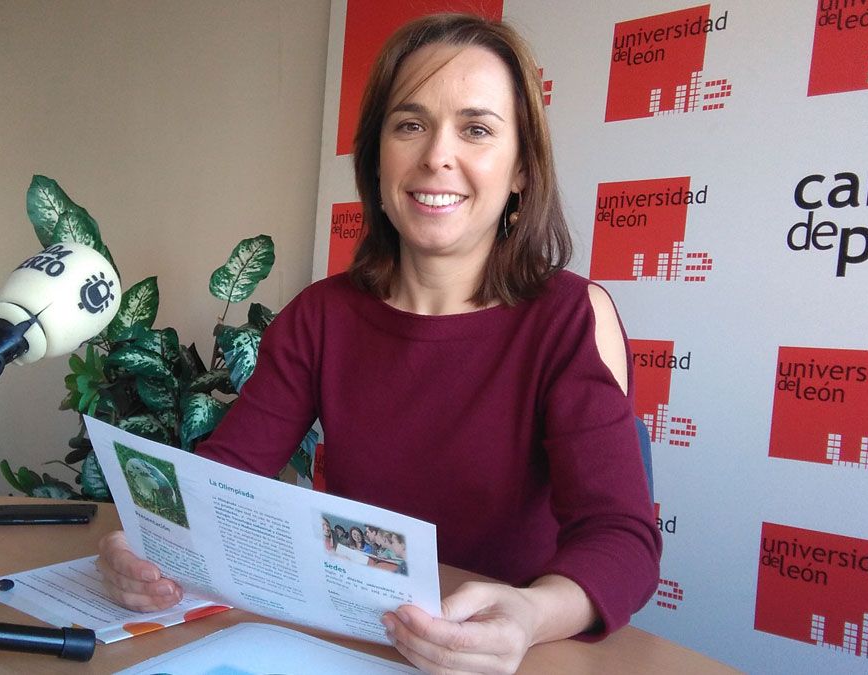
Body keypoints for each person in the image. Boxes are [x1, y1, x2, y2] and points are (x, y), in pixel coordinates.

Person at [97, 12, 660, 674]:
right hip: (352, 647)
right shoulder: (321, 316)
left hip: (513, 657)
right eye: (410, 124)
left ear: (520, 172)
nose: (436, 156)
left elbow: (621, 540)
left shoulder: (569, 317)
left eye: (476, 129)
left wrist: (527, 614)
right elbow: (222, 482)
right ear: (377, 158)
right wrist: (139, 540)